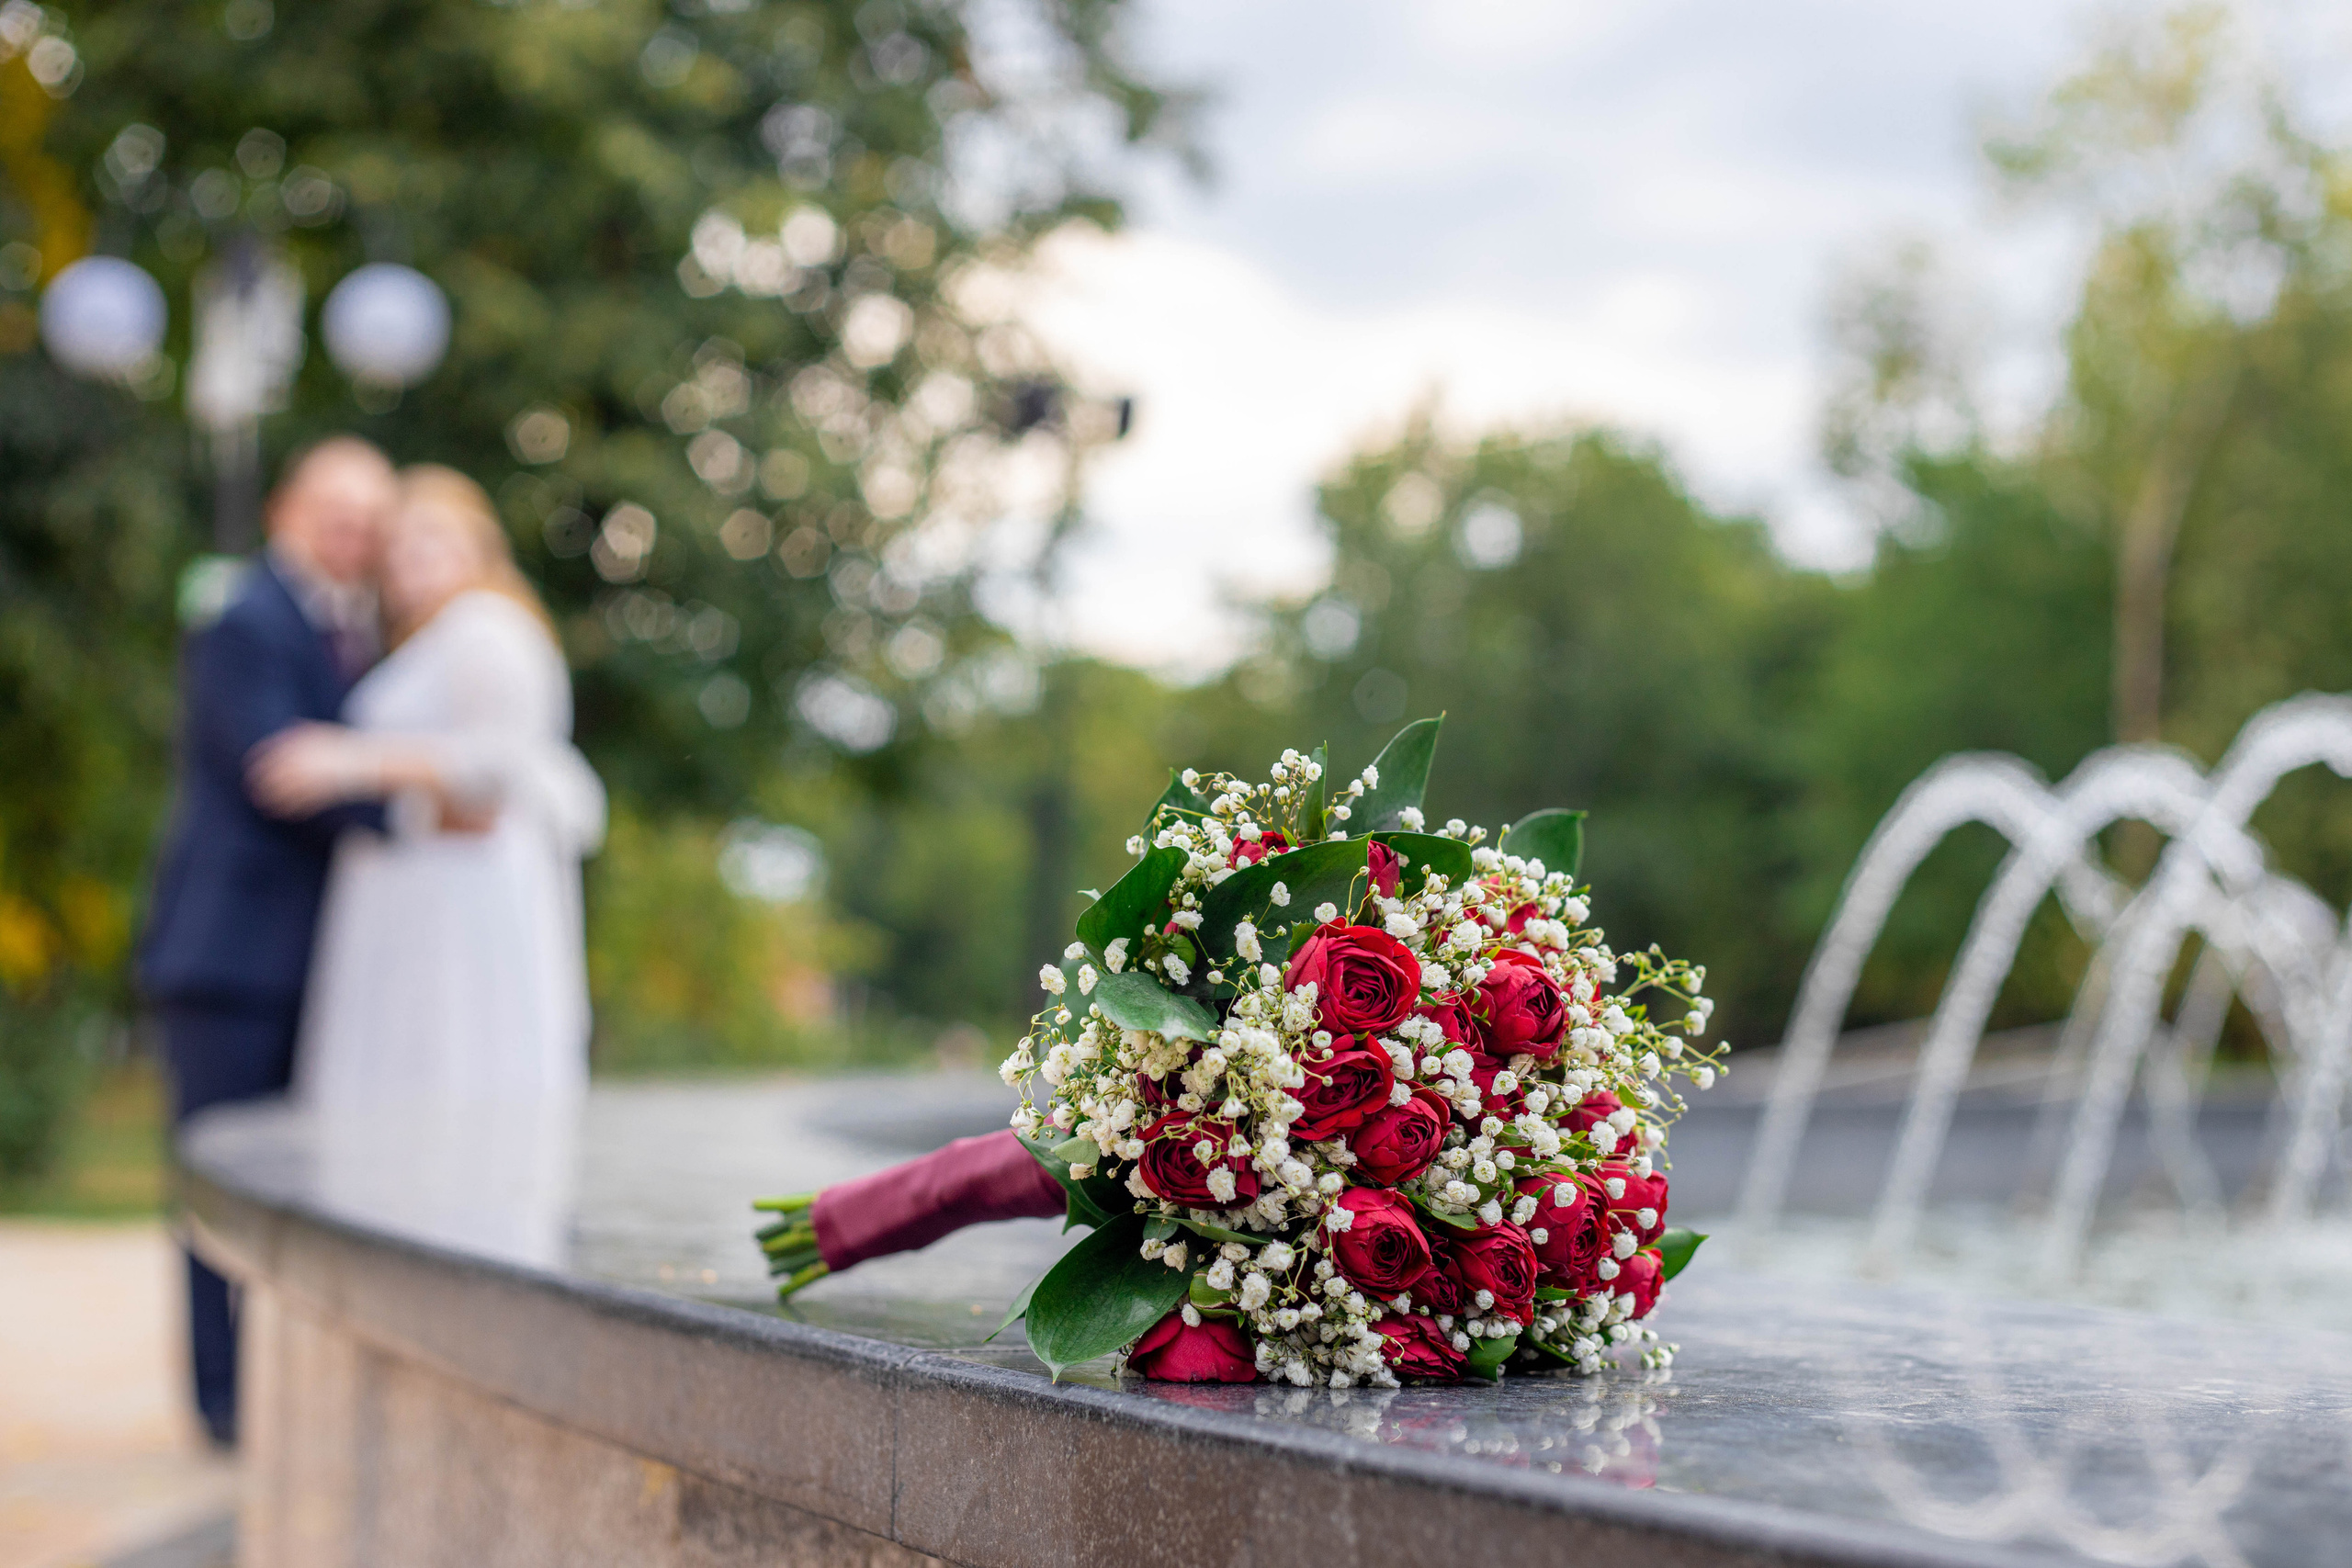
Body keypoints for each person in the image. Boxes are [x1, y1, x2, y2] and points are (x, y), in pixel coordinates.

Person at [247, 465, 605, 1266]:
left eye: (432, 538)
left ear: (479, 543)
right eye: (399, 545)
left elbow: (499, 763)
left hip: (462, 912)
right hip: (415, 905)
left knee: (456, 1070)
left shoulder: (487, 627)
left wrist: (348, 763)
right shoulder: (427, 641)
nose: (411, 559)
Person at [139, 436, 400, 1449]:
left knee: (287, 1186)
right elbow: (274, 772)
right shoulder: (242, 615)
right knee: (219, 1188)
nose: (352, 531)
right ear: (284, 508)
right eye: (336, 509)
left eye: (369, 518)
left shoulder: (357, 627)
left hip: (314, 962)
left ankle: (271, 1391)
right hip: (227, 957)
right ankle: (223, 1405)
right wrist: (410, 806)